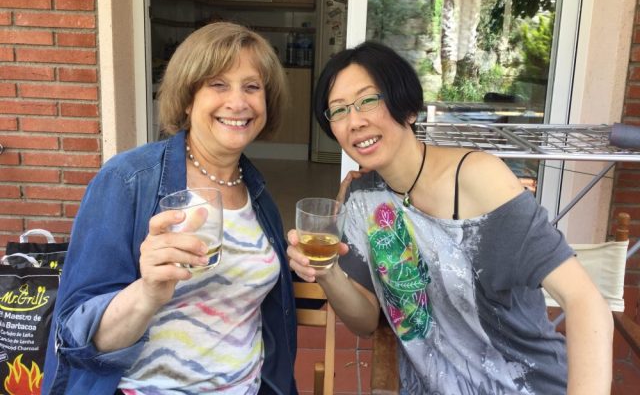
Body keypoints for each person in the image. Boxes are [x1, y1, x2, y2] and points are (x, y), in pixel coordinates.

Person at [287, 41, 613, 394]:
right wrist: (328, 272)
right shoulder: (362, 198)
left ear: (408, 109)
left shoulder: (479, 179)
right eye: (338, 110)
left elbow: (584, 300)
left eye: (368, 100)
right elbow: (365, 322)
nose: (355, 122)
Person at [43, 22, 298, 394]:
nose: (238, 102)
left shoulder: (257, 194)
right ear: (188, 97)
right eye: (218, 84)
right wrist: (147, 292)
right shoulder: (128, 180)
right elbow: (74, 335)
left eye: (252, 87)